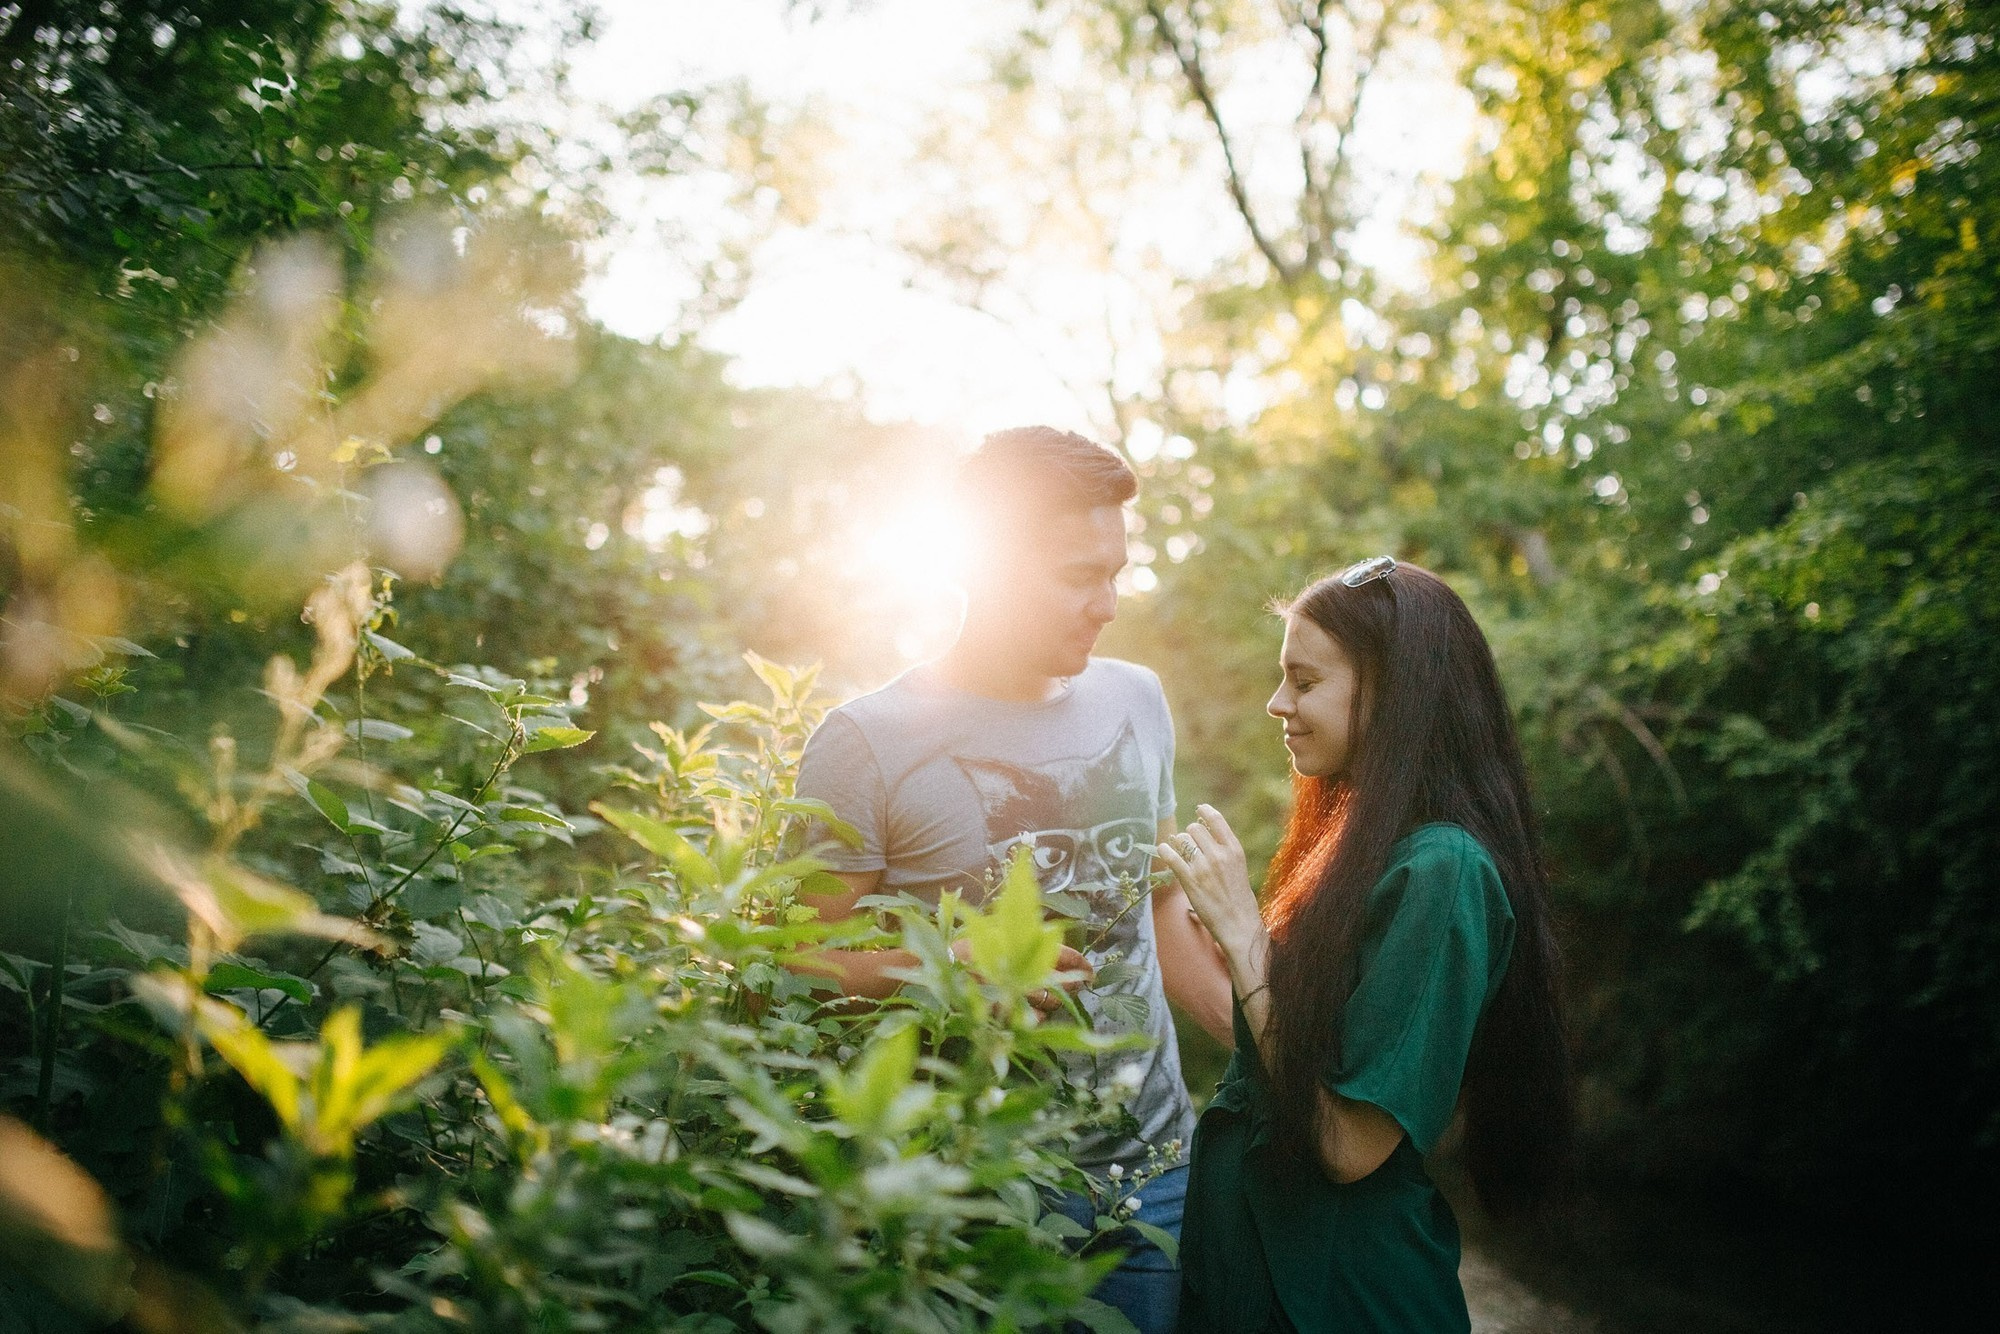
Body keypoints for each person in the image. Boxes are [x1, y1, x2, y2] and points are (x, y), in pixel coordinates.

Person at [791, 425, 1235, 1334]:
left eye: (1117, 571)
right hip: (969, 1194)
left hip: (1153, 1184)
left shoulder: (1137, 701)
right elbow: (792, 961)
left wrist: (1278, 1045)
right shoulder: (865, 742)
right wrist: (944, 972)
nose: (1108, 603)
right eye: (1080, 576)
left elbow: (1156, 910)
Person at [1158, 556, 1573, 1334]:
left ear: (1392, 689)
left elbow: (1350, 1144)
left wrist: (1246, 937)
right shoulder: (1356, 850)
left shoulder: (1444, 871)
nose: (1277, 702)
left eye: (1306, 681)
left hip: (1340, 1297)